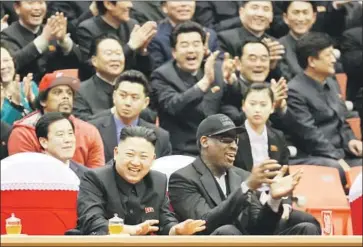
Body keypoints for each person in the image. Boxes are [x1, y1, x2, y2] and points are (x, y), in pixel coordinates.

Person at [168, 113, 320, 235]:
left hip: (244, 242)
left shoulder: (242, 176)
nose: (234, 146)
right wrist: (246, 187)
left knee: (307, 227)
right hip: (214, 242)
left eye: (236, 140)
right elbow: (203, 224)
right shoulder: (182, 178)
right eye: (226, 139)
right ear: (204, 141)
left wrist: (274, 199)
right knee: (228, 232)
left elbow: (259, 229)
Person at [77, 126, 206, 236]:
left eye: (143, 157)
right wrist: (131, 230)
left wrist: (176, 230)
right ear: (116, 153)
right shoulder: (94, 178)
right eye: (130, 154)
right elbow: (91, 221)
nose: (135, 162)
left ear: (153, 159)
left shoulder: (158, 181)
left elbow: (164, 220)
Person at [285, 32, 362, 185]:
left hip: (340, 151)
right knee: (337, 169)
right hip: (312, 155)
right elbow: (309, 135)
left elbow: (342, 120)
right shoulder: (294, 91)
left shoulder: (331, 82)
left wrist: (351, 140)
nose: (334, 59)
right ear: (312, 61)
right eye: (328, 55)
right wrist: (337, 157)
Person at [151, 21, 231, 156]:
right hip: (181, 152)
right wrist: (204, 84)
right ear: (174, 52)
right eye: (184, 45)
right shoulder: (161, 76)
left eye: (196, 44)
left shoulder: (217, 69)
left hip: (216, 149)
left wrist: (232, 82)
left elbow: (230, 104)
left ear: (204, 48)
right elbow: (173, 105)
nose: (191, 50)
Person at [8, 72, 105, 168]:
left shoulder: (89, 132)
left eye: (69, 93)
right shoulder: (23, 134)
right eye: (58, 92)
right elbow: (25, 176)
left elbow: (96, 177)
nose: (66, 96)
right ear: (43, 101)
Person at [90, 70, 172, 163]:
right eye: (123, 95)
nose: (127, 103)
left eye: (134, 97)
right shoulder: (92, 129)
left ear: (145, 103)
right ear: (114, 96)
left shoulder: (160, 137)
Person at [1, 0, 82, 83]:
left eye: (40, 2)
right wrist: (43, 39)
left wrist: (64, 41)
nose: (37, 8)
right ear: (17, 8)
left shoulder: (52, 30)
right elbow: (14, 63)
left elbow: (79, 62)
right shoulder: (6, 35)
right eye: (30, 3)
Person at [76, 0, 155, 80]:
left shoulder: (132, 25)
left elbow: (146, 73)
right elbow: (88, 69)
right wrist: (130, 46)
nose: (130, 5)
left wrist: (142, 51)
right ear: (108, 4)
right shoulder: (87, 29)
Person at [148, 1, 219, 70]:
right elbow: (156, 73)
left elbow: (221, 67)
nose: (184, 4)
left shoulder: (209, 34)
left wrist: (207, 56)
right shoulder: (154, 36)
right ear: (164, 7)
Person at [73, 34, 125, 121]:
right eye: (109, 54)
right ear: (94, 61)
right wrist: (114, 112)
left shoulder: (132, 87)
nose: (115, 58)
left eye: (118, 53)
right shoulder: (80, 91)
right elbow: (82, 123)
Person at [35, 112, 88, 178]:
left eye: (70, 133)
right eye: (60, 134)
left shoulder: (87, 175)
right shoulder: (32, 174)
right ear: (44, 142)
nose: (67, 140)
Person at [1, 43, 38, 125]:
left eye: (6, 60)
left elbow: (46, 119)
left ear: (13, 62)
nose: (2, 66)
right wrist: (15, 107)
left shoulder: (29, 86)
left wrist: (34, 104)